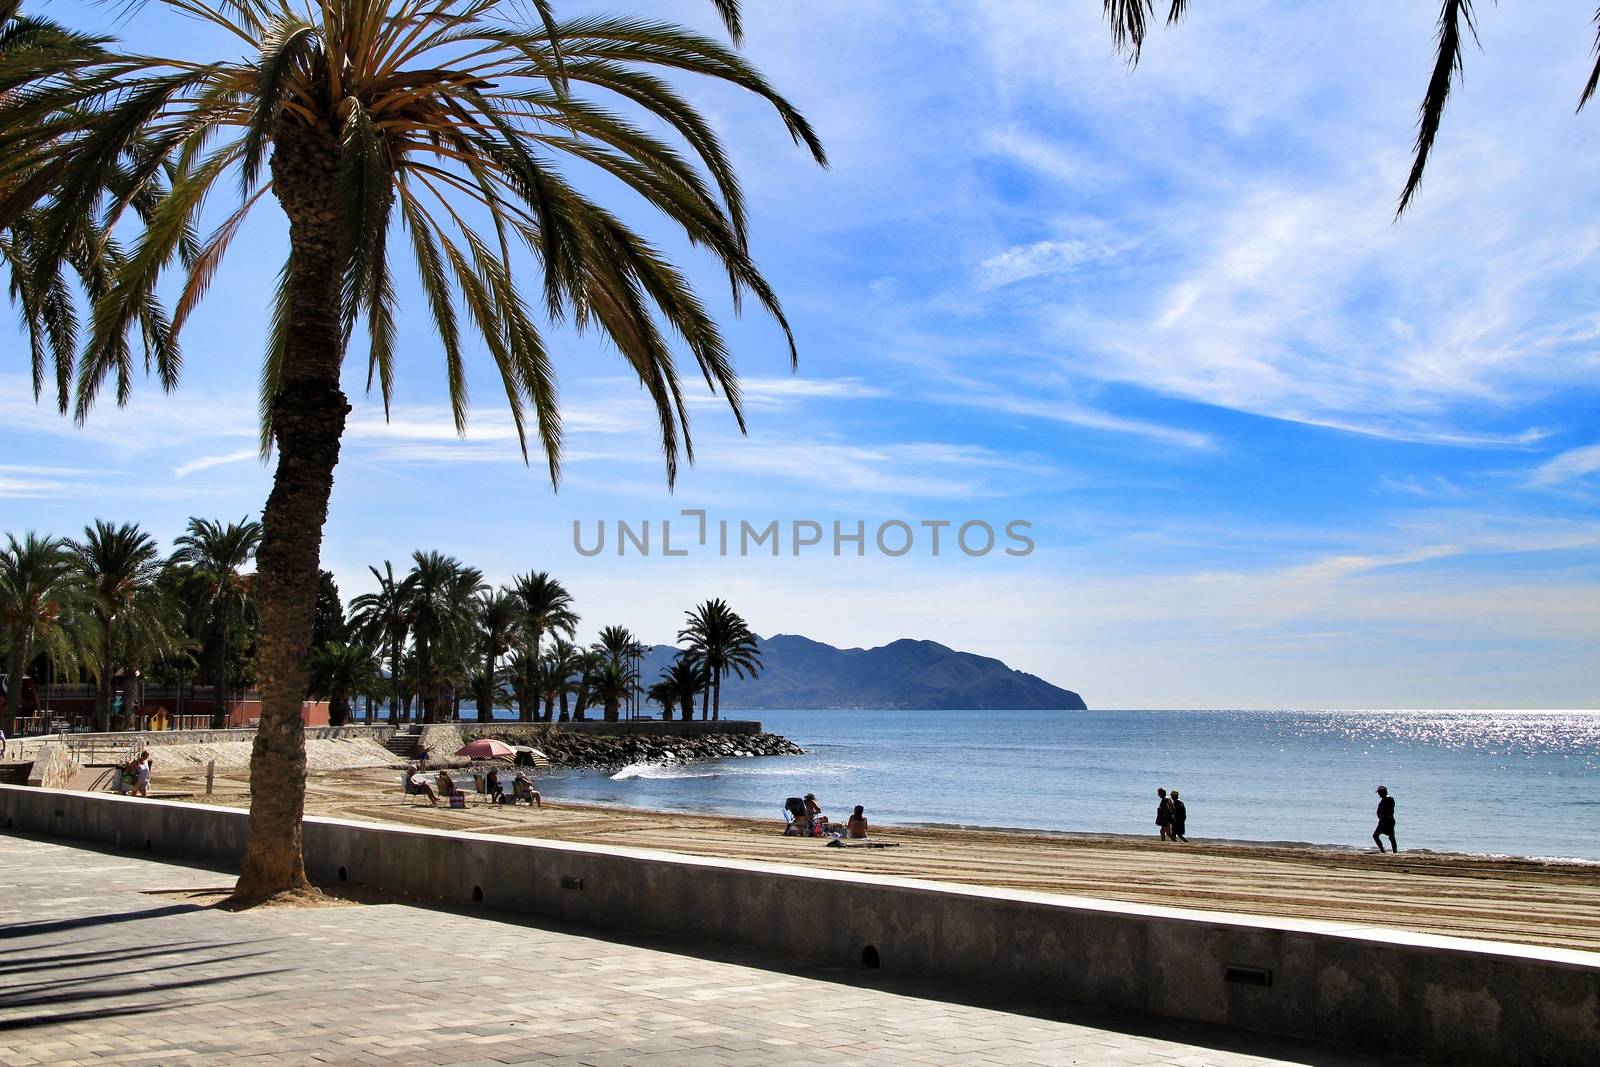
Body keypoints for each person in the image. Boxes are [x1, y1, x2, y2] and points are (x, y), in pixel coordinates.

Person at [1373, 785, 1397, 853]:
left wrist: (1382, 816)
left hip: (1386, 821)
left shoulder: (1388, 799)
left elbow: (1386, 810)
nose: (1379, 794)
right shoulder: (1385, 799)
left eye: (1380, 793)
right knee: (1390, 837)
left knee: (1390, 837)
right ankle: (1385, 851)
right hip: (1384, 820)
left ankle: (1392, 851)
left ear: (1384, 792)